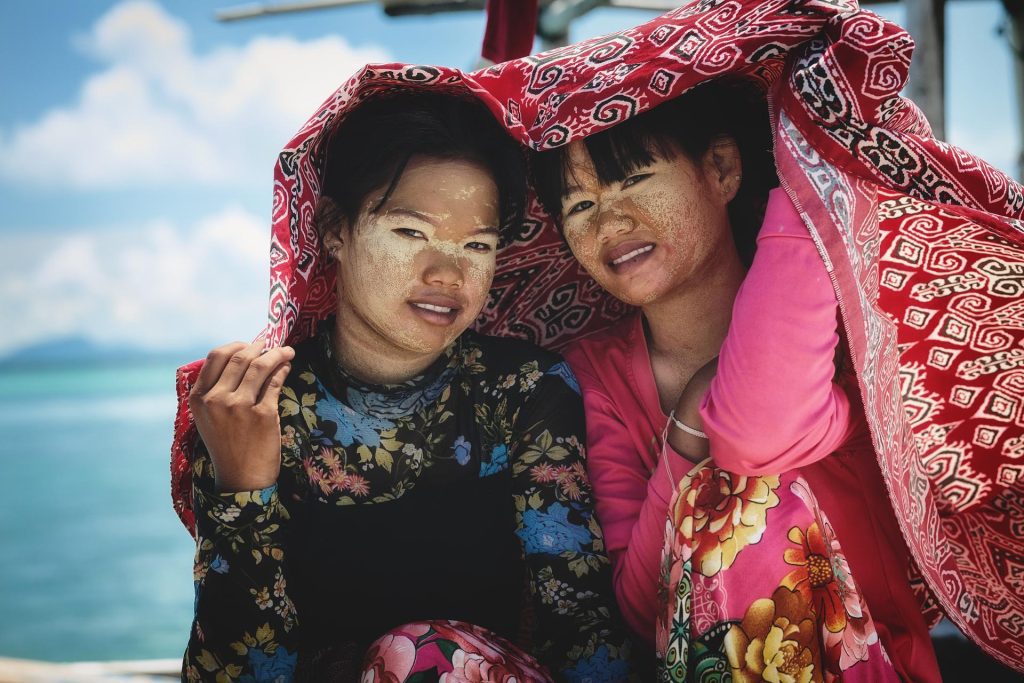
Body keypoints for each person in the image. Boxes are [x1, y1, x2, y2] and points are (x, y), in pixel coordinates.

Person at [180, 91, 632, 682]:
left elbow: (580, 624)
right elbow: (230, 670)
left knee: (422, 654)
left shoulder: (523, 390)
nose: (447, 273)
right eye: (411, 232)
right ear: (335, 230)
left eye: (477, 245)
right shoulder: (255, 409)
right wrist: (243, 488)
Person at [532, 80, 943, 681]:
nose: (609, 221)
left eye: (635, 178)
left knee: (736, 502)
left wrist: (806, 184)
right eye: (579, 207)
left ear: (722, 168)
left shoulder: (843, 317)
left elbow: (757, 428)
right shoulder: (591, 371)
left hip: (869, 665)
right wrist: (687, 430)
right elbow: (640, 606)